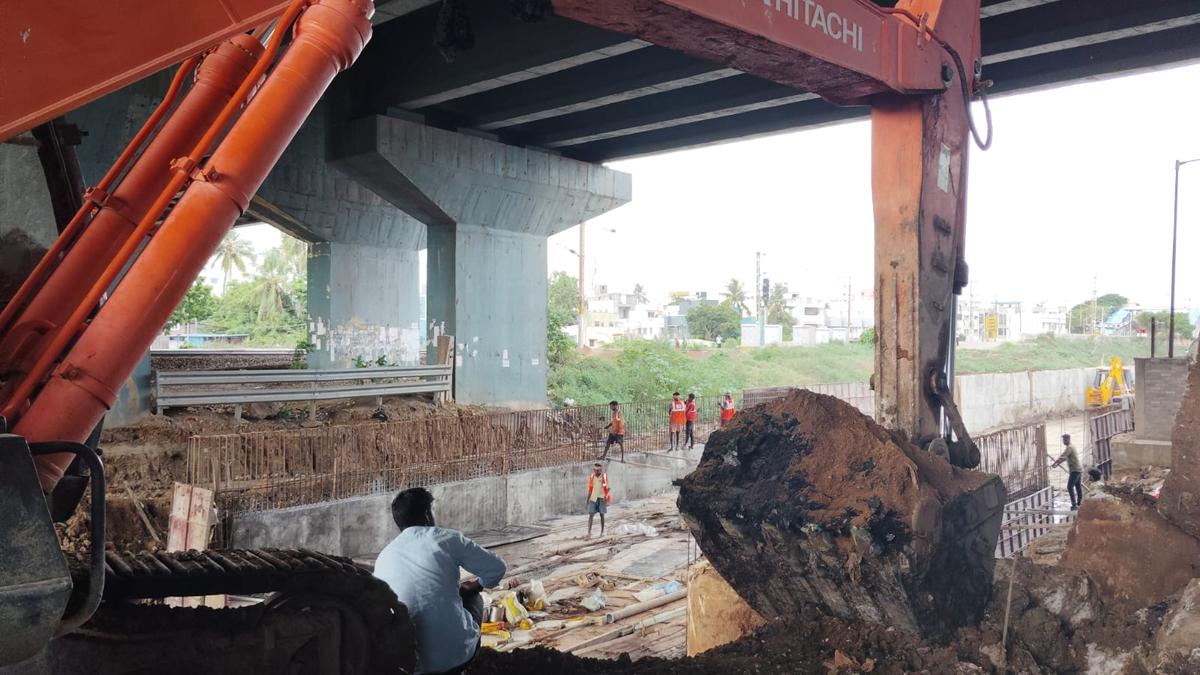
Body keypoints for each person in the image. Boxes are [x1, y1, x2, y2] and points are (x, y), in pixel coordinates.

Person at [374, 488, 508, 675]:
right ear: (428, 515)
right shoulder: (447, 539)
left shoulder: (384, 556)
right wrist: (475, 586)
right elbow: (497, 568)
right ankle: (466, 663)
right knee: (474, 598)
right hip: (454, 658)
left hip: (409, 665)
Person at [1051, 433, 1083, 510]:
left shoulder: (1069, 447)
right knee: (1078, 486)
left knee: (1069, 487)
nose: (1063, 441)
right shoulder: (1071, 447)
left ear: (1068, 439)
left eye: (1064, 439)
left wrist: (1055, 463)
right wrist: (1056, 463)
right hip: (1078, 469)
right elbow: (1063, 457)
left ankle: (1074, 504)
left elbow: (1063, 457)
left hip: (1075, 470)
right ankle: (1080, 502)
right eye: (1063, 439)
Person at [586, 462, 612, 539]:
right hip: (593, 498)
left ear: (601, 470)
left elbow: (608, 488)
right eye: (596, 470)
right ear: (594, 470)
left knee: (602, 515)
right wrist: (587, 499)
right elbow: (590, 489)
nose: (597, 472)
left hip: (601, 498)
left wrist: (606, 496)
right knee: (591, 515)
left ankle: (602, 532)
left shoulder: (604, 477)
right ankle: (589, 533)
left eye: (599, 470)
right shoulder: (592, 477)